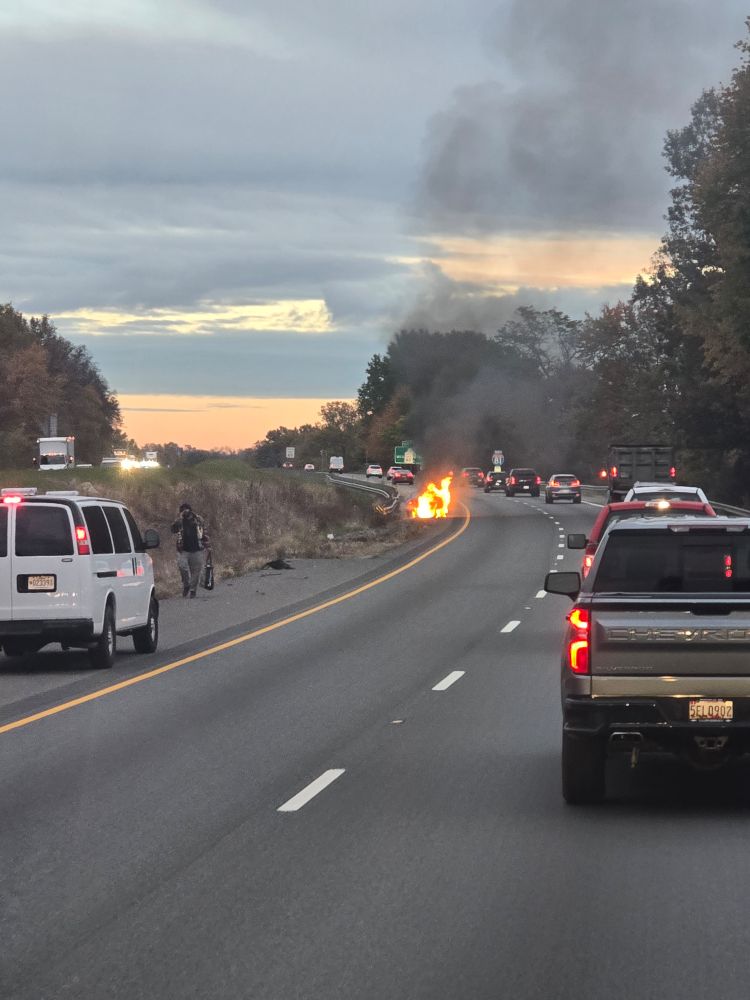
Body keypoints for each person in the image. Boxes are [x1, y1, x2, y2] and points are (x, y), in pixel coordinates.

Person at [171, 502, 210, 598]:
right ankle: (186, 585)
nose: (185, 511)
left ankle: (193, 590)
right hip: (183, 550)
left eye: (186, 509)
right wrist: (178, 520)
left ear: (190, 510)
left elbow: (204, 533)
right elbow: (173, 530)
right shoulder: (179, 521)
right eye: (183, 510)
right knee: (182, 566)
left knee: (196, 571)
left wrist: (208, 545)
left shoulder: (198, 519)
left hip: (197, 549)